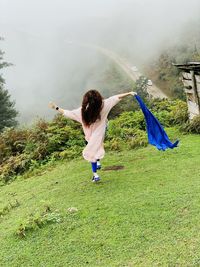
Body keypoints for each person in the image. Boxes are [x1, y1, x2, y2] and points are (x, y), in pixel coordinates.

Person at [49, 90, 137, 182]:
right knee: (98, 147)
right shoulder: (104, 106)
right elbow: (116, 98)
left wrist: (56, 107)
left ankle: (95, 175)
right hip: (100, 133)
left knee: (92, 154)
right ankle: (98, 162)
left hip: (90, 137)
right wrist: (129, 93)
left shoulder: (81, 112)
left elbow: (67, 113)